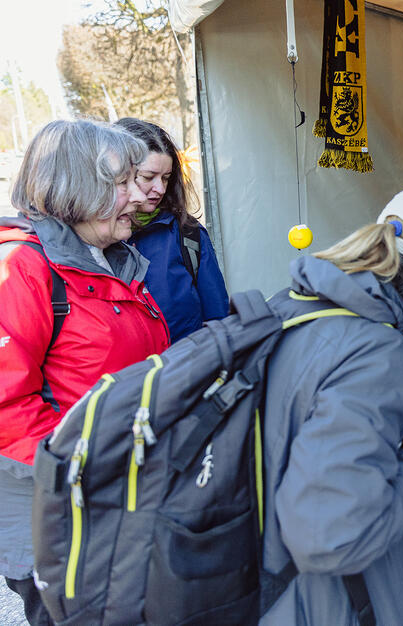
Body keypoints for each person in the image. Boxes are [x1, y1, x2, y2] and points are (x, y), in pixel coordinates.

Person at [260, 179, 403, 625]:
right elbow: (329, 536)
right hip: (322, 605)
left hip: (271, 575)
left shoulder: (306, 297)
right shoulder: (379, 355)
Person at [0, 120, 170, 625]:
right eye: (122, 184)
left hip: (118, 494)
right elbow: (7, 406)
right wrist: (83, 468)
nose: (138, 196)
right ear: (80, 188)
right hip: (59, 513)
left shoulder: (110, 259)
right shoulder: (22, 271)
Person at [115, 117, 228, 343]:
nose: (159, 188)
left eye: (166, 178)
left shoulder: (189, 234)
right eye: (148, 177)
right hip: (123, 376)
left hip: (185, 372)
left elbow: (220, 321)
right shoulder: (94, 240)